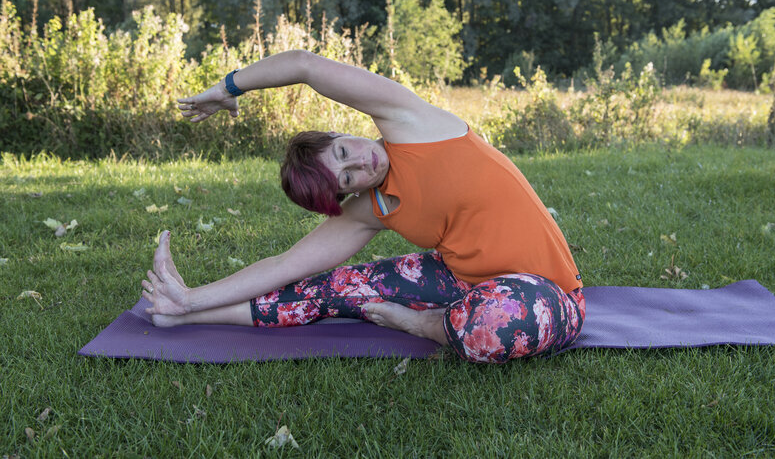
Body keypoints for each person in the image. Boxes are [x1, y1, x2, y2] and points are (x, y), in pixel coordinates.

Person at [140, 50, 585, 363]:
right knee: (332, 288)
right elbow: (287, 266)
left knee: (491, 326)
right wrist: (189, 299)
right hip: (461, 282)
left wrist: (227, 86)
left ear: (336, 135)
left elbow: (304, 65)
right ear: (345, 196)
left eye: (341, 152)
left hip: (548, 294)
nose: (359, 162)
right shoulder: (369, 209)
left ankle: (426, 325)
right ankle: (181, 315)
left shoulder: (411, 123)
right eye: (347, 177)